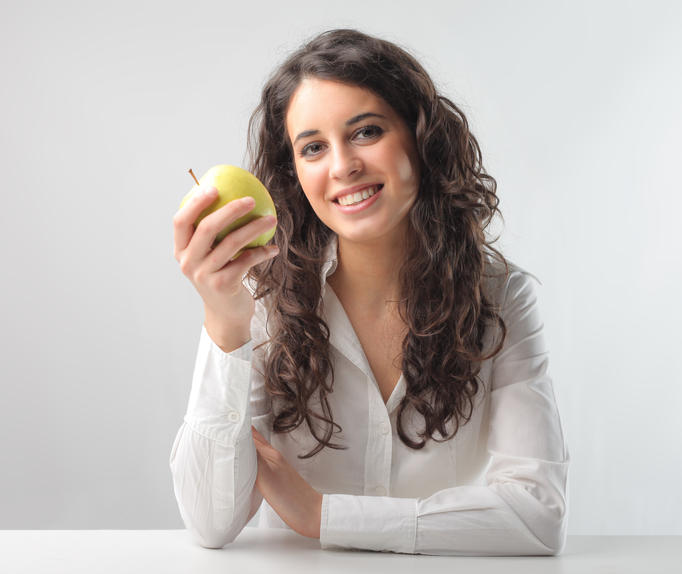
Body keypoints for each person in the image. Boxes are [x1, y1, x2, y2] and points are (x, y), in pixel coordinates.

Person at [170, 28, 570, 556]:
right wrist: (223, 321)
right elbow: (211, 523)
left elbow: (538, 517)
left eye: (365, 132)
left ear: (419, 136)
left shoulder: (500, 297)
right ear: (295, 173)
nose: (342, 166)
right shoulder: (262, 304)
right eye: (313, 147)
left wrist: (323, 516)